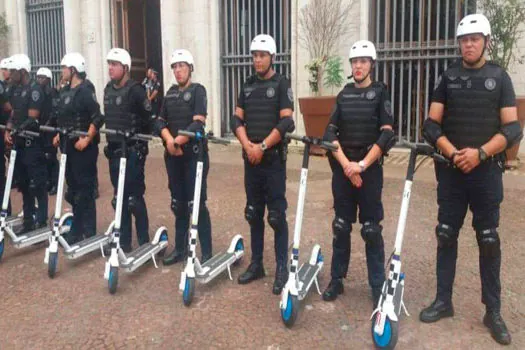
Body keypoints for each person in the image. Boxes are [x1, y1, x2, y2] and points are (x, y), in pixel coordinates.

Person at [419, 14, 522, 346]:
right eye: (464, 39)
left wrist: (479, 153)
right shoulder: (447, 77)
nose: (469, 44)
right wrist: (452, 153)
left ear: (486, 41)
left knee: (489, 239)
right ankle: (443, 300)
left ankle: (493, 311)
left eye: (475, 39)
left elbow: (512, 128)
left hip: (486, 173)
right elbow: (431, 125)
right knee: (446, 234)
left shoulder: (500, 78)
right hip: (451, 173)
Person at [321, 40, 395, 307]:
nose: (358, 66)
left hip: (369, 170)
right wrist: (347, 166)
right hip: (345, 169)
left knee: (371, 229)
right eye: (354, 62)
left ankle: (378, 285)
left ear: (371, 64)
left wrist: (362, 165)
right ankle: (336, 280)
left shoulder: (380, 94)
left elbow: (387, 133)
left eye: (363, 61)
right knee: (341, 226)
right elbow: (329, 133)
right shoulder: (344, 94)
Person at [230, 34, 295, 295]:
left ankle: (282, 267)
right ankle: (257, 264)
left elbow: (286, 122)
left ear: (272, 57)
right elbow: (236, 120)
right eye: (255, 55)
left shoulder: (281, 85)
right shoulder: (246, 86)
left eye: (262, 55)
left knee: (277, 216)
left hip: (272, 159)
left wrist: (263, 146)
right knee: (253, 212)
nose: (257, 60)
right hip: (251, 157)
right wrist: (248, 146)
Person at [156, 49, 212, 265]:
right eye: (175, 67)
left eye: (182, 66)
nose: (178, 71)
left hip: (194, 157)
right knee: (178, 204)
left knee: (196, 204)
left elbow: (198, 122)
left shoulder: (199, 91)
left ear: (190, 68)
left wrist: (177, 141)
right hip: (172, 157)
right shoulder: (169, 93)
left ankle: (206, 251)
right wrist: (169, 141)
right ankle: (180, 249)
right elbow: (159, 122)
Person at [103, 48, 153, 253]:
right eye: (109, 64)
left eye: (114, 64)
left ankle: (144, 241)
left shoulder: (136, 90)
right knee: (119, 198)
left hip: (133, 151)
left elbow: (148, 121)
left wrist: (138, 142)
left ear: (125, 68)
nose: (110, 68)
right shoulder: (108, 89)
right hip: (114, 151)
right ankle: (123, 241)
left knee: (134, 198)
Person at [53, 53, 103, 244]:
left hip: (83, 148)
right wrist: (58, 134)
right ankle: (79, 226)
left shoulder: (85, 91)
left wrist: (88, 138)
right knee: (73, 189)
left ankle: (86, 230)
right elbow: (63, 117)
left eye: (65, 68)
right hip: (68, 146)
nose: (62, 71)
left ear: (73, 70)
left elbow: (97, 117)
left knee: (85, 189)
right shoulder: (65, 92)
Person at [4, 54, 48, 232]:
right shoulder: (14, 89)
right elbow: (13, 113)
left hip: (32, 144)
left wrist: (16, 129)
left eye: (13, 71)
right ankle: (28, 220)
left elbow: (32, 117)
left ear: (22, 71)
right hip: (19, 144)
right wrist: (8, 129)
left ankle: (42, 220)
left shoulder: (35, 90)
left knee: (37, 183)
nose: (10, 74)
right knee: (23, 184)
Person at [35, 67, 59, 195]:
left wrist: (47, 124)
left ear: (48, 79)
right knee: (42, 157)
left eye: (42, 77)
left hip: (50, 130)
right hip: (40, 129)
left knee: (51, 157)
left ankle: (55, 182)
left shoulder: (52, 93)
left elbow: (54, 112)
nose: (39, 80)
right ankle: (48, 181)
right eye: (38, 77)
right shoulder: (37, 93)